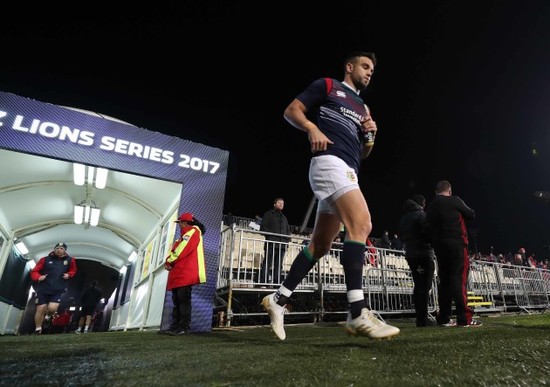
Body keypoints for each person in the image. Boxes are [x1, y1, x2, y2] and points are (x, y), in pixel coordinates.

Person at [261, 51, 400, 340]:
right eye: (365, 66)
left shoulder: (363, 107)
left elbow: (363, 153)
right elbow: (291, 111)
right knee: (361, 224)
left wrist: (371, 135)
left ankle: (279, 298)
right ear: (349, 67)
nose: (369, 71)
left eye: (372, 69)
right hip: (329, 163)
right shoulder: (327, 86)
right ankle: (358, 311)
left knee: (321, 245)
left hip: (347, 168)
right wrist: (311, 127)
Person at [425, 180, 481, 327]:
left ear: (436, 192)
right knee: (459, 280)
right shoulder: (454, 200)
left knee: (445, 282)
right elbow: (471, 214)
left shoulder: (431, 206)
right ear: (449, 191)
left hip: (440, 248)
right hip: (457, 245)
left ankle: (444, 318)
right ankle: (465, 318)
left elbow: (427, 228)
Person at [162, 212, 207, 335]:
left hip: (185, 272)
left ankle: (183, 327)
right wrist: (169, 261)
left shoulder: (193, 231)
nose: (179, 225)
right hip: (180, 272)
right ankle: (175, 326)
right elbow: (177, 250)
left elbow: (181, 249)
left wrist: (169, 261)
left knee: (183, 300)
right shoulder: (184, 235)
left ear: (185, 222)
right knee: (177, 300)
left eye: (180, 222)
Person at [397, 194, 436, 327]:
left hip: (411, 255)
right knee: (425, 286)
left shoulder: (403, 218)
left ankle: (421, 318)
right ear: (422, 204)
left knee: (418, 285)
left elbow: (401, 238)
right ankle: (423, 319)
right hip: (424, 253)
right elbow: (429, 234)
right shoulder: (421, 215)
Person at [30, 242, 77, 334]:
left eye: (61, 248)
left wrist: (69, 275)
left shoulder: (70, 260)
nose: (59, 250)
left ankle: (48, 317)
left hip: (57, 289)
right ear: (54, 249)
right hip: (43, 288)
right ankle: (38, 329)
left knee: (52, 308)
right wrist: (38, 277)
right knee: (41, 308)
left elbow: (73, 270)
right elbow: (34, 271)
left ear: (64, 251)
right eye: (57, 248)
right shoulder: (45, 259)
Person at [258, 197, 291, 285]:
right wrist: (272, 236)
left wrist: (287, 241)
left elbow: (288, 232)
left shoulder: (284, 218)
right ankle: (263, 282)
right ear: (274, 204)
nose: (281, 204)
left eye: (283, 203)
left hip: (282, 246)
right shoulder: (268, 214)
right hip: (271, 244)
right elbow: (263, 228)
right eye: (279, 203)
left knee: (279, 265)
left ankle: (277, 283)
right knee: (267, 264)